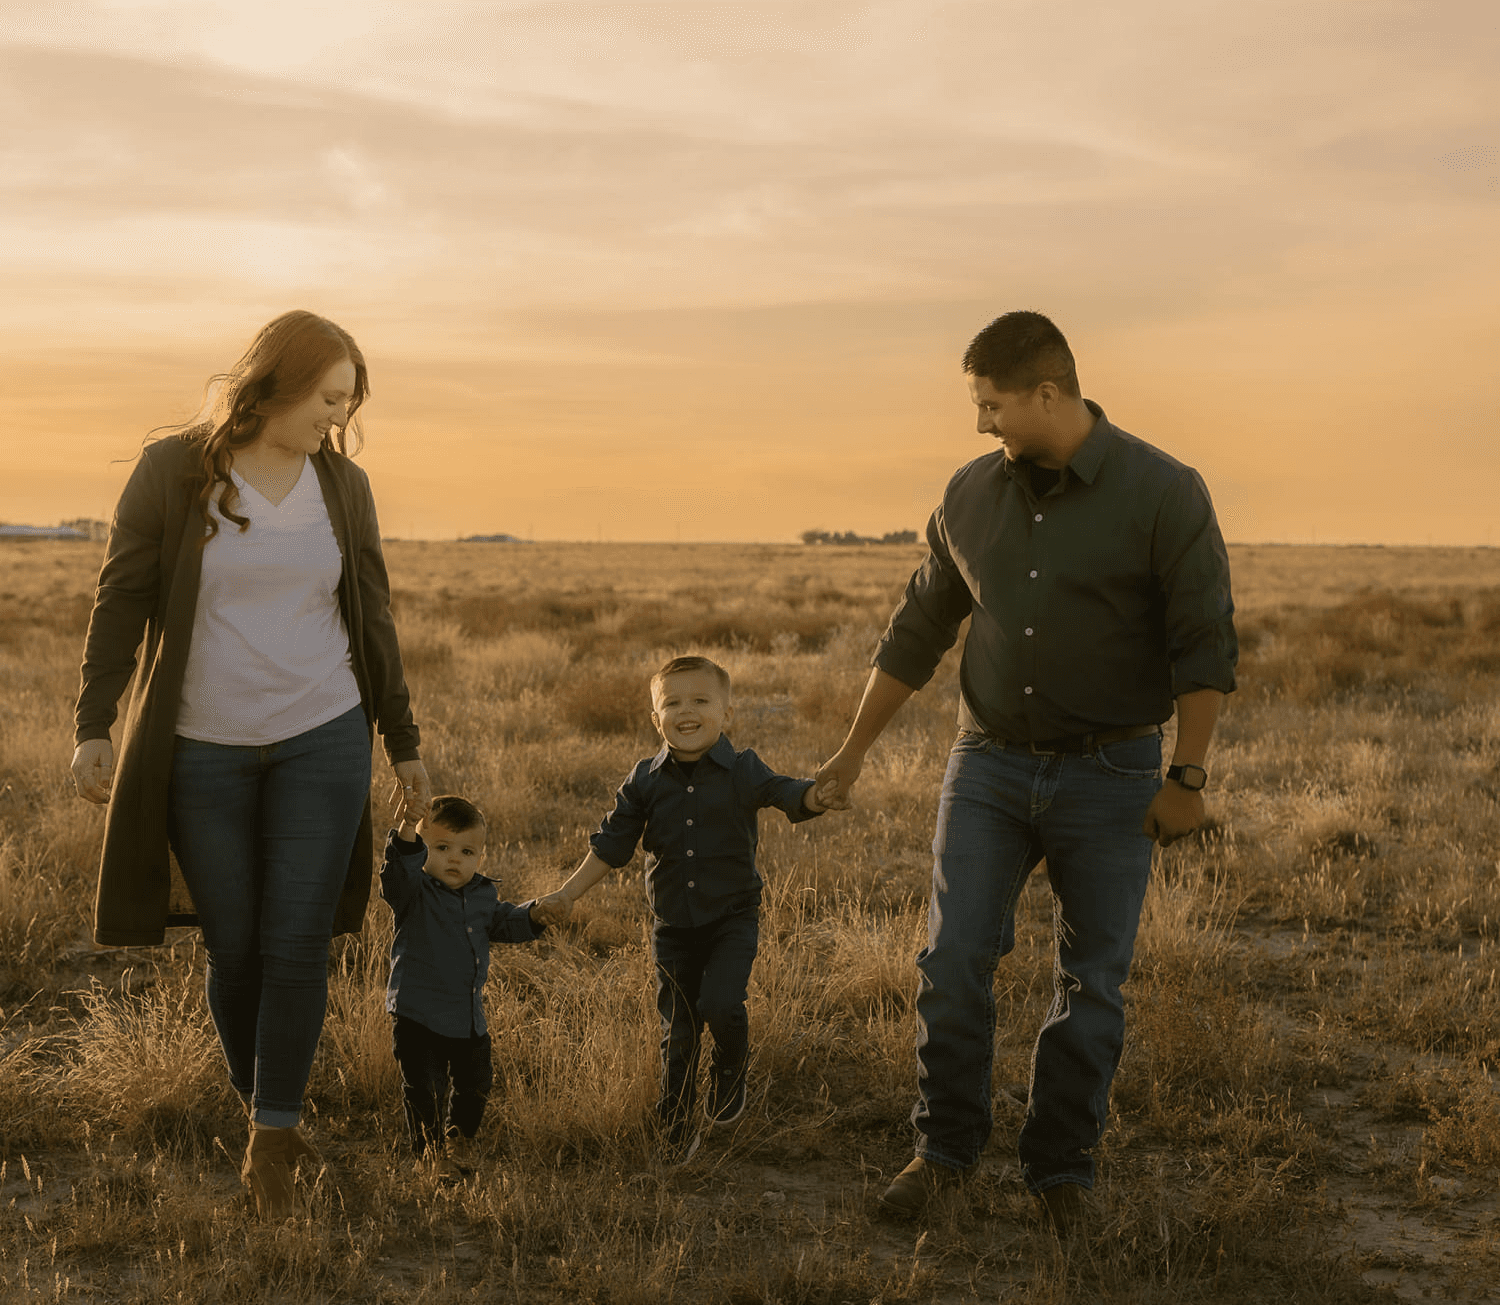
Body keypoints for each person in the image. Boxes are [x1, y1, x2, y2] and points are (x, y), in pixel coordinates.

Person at [814, 311, 1238, 1235]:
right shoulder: (968, 497)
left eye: (990, 404)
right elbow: (917, 633)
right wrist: (851, 753)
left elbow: (1205, 645)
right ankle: (944, 1150)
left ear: (1049, 393)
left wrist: (1189, 777)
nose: (980, 424)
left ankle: (1060, 1174)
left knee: (1092, 981)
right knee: (952, 958)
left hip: (1116, 772)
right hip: (990, 768)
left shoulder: (1166, 492)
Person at [70, 309, 429, 1220]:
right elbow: (122, 599)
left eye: (349, 405)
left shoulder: (342, 487)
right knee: (234, 949)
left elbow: (374, 615)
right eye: (329, 398)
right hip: (202, 746)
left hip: (324, 730)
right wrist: (95, 721)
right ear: (277, 381)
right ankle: (268, 1110)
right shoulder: (173, 471)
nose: (338, 420)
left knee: (295, 940)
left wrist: (404, 739)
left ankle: (272, 1138)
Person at [542, 655, 844, 1153]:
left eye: (701, 701)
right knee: (677, 1029)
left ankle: (730, 1063)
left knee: (720, 1004)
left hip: (732, 919)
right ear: (654, 718)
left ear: (726, 714)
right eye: (673, 703)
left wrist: (815, 797)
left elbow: (782, 791)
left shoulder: (743, 769)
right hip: (673, 927)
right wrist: (567, 894)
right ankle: (675, 1128)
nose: (687, 711)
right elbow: (611, 844)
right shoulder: (644, 780)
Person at [380, 793, 557, 1180]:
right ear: (422, 849)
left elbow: (505, 922)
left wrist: (536, 913)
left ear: (480, 855)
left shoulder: (482, 894)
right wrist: (408, 828)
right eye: (441, 848)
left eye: (466, 851)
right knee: (425, 1088)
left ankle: (460, 1139)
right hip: (417, 1014)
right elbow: (395, 876)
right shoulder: (414, 892)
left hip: (467, 1018)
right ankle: (430, 1154)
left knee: (475, 1084)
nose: (454, 859)